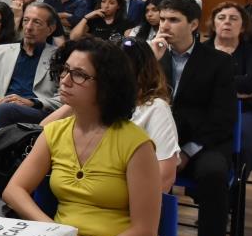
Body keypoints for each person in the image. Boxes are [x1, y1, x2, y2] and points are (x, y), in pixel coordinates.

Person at [0, 38, 161, 236]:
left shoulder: (136, 144)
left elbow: (145, 233)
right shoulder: (55, 132)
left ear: (107, 86)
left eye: (80, 75)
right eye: (65, 70)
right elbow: (14, 190)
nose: (65, 80)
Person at [151, 0, 234, 236]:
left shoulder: (218, 62)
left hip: (203, 143)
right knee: (134, 172)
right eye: (162, 19)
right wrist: (150, 60)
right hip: (158, 142)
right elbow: (133, 100)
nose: (165, 26)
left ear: (194, 25)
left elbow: (222, 119)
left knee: (213, 176)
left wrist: (185, 152)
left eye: (173, 20)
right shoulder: (152, 56)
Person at [43, 38, 179, 191]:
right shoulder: (93, 105)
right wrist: (73, 101)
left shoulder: (155, 108)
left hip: (121, 198)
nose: (110, 74)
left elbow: (165, 177)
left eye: (80, 74)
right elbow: (41, 134)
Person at [208, 1, 252, 178]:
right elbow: (193, 85)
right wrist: (234, 87)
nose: (227, 22)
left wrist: (213, 85)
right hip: (207, 111)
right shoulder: (201, 51)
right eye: (221, 18)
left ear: (242, 27)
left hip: (247, 111)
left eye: (233, 18)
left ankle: (233, 187)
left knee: (241, 144)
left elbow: (251, 84)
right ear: (214, 25)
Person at [0, 3, 61, 127]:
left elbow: (65, 98)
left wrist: (33, 102)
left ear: (50, 29)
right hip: (1, 105)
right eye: (26, 20)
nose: (28, 27)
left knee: (7, 109)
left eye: (37, 22)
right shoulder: (1, 51)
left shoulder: (59, 57)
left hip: (37, 112)